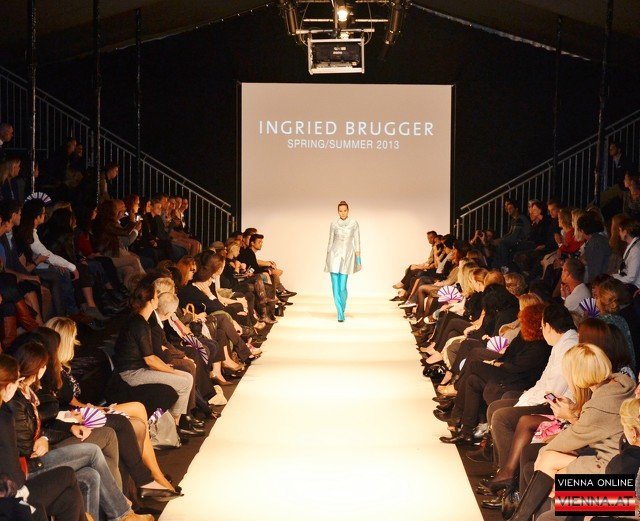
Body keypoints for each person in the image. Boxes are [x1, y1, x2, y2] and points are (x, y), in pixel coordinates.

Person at [324, 201, 361, 322]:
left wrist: (359, 260)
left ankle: (342, 306)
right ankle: (340, 313)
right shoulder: (333, 223)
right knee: (335, 286)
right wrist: (327, 258)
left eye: (345, 210)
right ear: (338, 212)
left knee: (342, 287)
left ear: (348, 211)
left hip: (347, 257)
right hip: (333, 256)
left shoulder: (354, 223)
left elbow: (357, 241)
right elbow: (330, 241)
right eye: (340, 211)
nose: (343, 213)